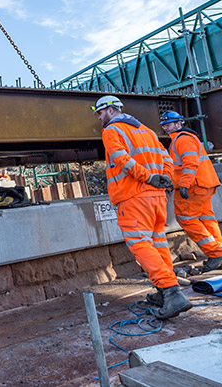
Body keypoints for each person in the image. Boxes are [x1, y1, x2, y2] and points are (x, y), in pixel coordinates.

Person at [93, 95, 191, 320]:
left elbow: (121, 159)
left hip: (133, 196)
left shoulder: (112, 131)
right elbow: (166, 159)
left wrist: (147, 177)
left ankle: (171, 292)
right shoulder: (147, 131)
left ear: (110, 109)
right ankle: (166, 290)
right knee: (158, 243)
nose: (99, 117)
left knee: (140, 244)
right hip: (156, 197)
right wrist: (163, 178)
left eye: (99, 112)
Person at [159, 111, 222, 272]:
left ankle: (216, 253)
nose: (166, 128)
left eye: (168, 124)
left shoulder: (182, 139)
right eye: (164, 125)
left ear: (179, 123)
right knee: (207, 218)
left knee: (186, 218)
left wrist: (183, 184)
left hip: (193, 186)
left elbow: (190, 163)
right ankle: (218, 254)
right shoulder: (185, 138)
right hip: (203, 184)